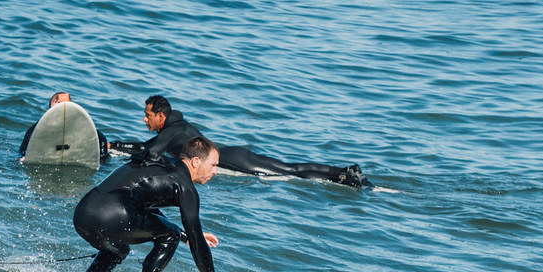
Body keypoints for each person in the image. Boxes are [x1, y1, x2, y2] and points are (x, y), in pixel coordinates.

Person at [72, 136, 239, 272]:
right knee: (171, 234)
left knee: (118, 250)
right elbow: (197, 243)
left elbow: (139, 205)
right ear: (196, 161)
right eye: (213, 165)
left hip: (84, 213)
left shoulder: (161, 166)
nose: (215, 171)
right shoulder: (185, 187)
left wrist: (186, 235)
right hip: (114, 214)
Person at [127, 95, 373, 188]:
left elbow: (150, 151)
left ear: (161, 116)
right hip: (234, 152)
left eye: (147, 115)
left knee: (287, 172)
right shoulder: (177, 126)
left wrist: (113, 147)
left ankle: (343, 174)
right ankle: (342, 172)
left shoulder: (171, 130)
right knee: (289, 168)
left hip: (232, 160)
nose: (144, 120)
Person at [19, 91, 126, 165]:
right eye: (58, 105)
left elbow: (101, 139)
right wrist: (26, 156)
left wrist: (102, 159)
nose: (62, 109)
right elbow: (23, 148)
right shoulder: (38, 127)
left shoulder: (79, 124)